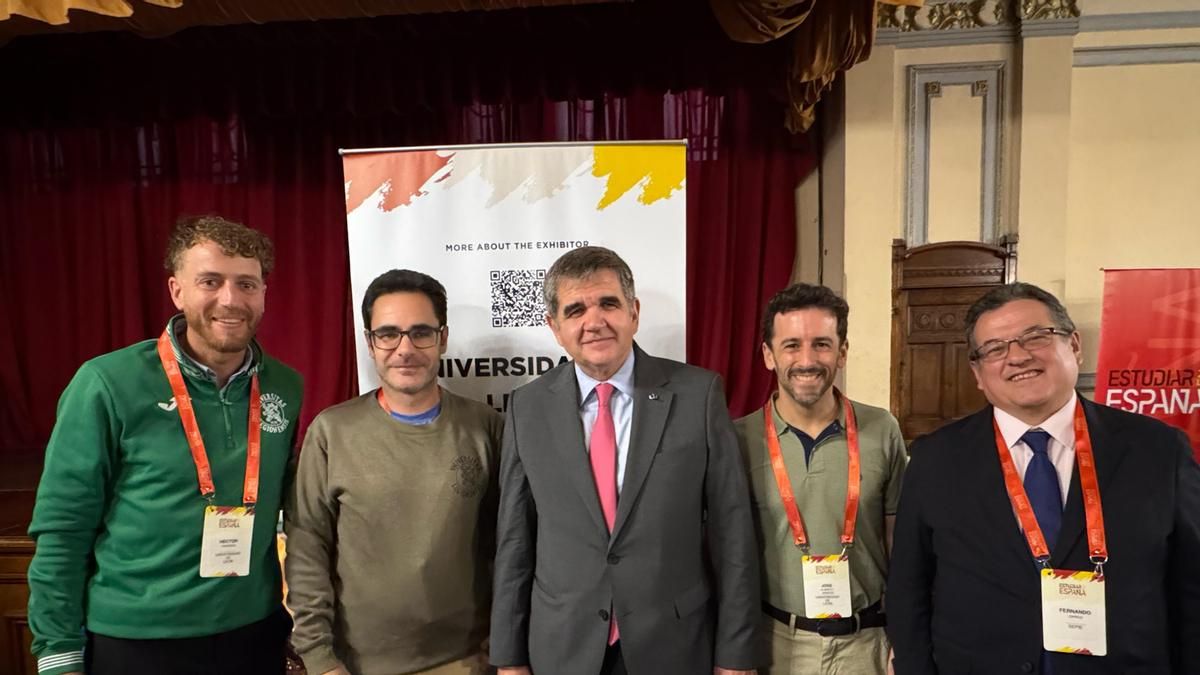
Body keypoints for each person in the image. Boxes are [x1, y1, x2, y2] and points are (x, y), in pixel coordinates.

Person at [26, 215, 304, 675]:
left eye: (246, 284)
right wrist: (58, 655)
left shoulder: (284, 386)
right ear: (177, 290)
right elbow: (63, 530)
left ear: (264, 293)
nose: (230, 300)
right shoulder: (105, 383)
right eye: (210, 281)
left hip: (254, 634)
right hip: (137, 642)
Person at [888, 282, 1200, 674]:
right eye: (995, 348)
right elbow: (908, 590)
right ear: (978, 373)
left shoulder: (1159, 450)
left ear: (1074, 345)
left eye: (1035, 337)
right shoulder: (935, 459)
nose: (1017, 357)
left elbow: (1191, 589)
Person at [489, 246, 762, 675]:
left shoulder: (698, 395)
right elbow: (514, 543)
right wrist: (508, 658)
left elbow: (733, 534)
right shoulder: (527, 407)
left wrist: (736, 654)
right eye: (575, 309)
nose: (594, 322)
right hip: (563, 649)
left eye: (608, 304)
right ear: (554, 328)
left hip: (672, 645)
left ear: (634, 312)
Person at [285, 269, 503, 675]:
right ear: (370, 343)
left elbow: (508, 543)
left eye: (421, 332)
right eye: (388, 334)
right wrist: (319, 658)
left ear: (443, 338)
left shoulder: (486, 427)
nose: (405, 348)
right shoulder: (331, 432)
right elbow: (307, 545)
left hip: (470, 661)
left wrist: (504, 640)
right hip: (358, 666)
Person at [735, 283, 906, 674]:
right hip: (774, 644)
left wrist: (905, 635)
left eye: (822, 344)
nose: (807, 359)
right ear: (768, 355)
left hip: (866, 646)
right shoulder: (736, 439)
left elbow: (900, 542)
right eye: (792, 345)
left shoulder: (882, 429)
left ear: (842, 352)